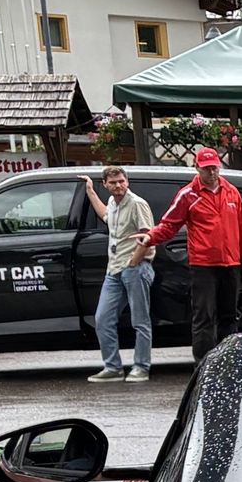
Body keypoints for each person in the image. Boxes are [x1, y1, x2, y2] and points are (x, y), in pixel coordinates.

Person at [143, 148, 242, 361]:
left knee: (229, 315)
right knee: (204, 316)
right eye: (207, 169)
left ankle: (230, 360)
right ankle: (204, 363)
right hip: (203, 265)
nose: (212, 173)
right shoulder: (188, 194)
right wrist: (150, 237)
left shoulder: (231, 192)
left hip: (231, 263)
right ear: (197, 168)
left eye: (215, 168)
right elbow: (169, 224)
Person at [84, 164, 155, 383]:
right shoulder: (113, 204)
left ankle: (141, 366)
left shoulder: (137, 204)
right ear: (105, 184)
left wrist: (134, 261)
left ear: (127, 181)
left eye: (121, 181)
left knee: (139, 320)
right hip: (114, 269)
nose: (118, 186)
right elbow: (107, 216)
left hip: (135, 267)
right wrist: (90, 192)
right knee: (103, 319)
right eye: (113, 182)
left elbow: (149, 236)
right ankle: (113, 367)